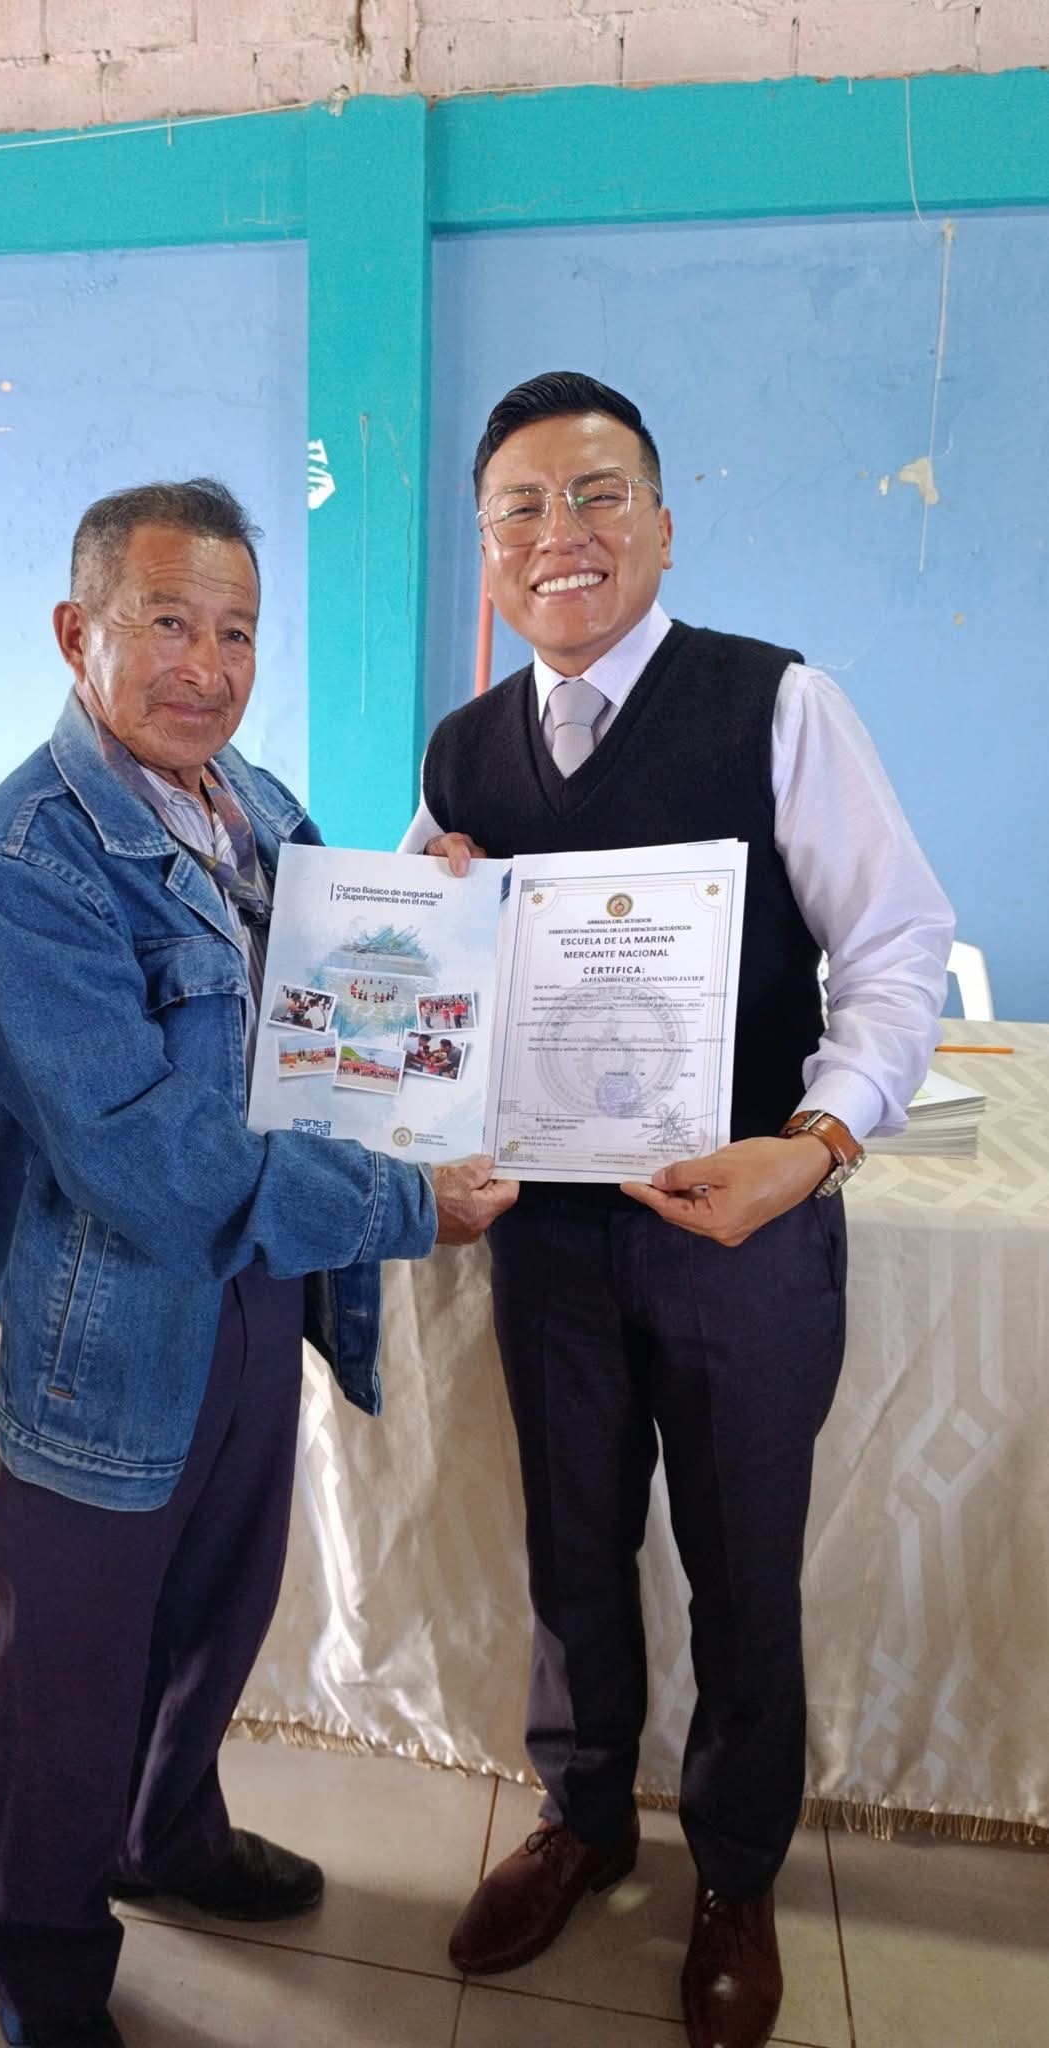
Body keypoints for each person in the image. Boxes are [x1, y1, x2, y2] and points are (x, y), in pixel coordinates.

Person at [0, 477, 515, 2048]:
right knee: (72, 1668)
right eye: (166, 622)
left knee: (214, 1605)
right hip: (116, 1323)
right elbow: (149, 1166)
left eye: (237, 630)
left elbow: (327, 979)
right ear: (77, 631)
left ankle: (163, 1833)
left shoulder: (243, 798)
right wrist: (408, 1207)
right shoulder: (22, 868)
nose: (207, 665)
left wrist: (428, 903)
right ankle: (42, 1960)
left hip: (258, 1287)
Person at [402, 374, 953, 2048]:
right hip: (550, 1237)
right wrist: (427, 927)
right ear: (487, 547)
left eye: (595, 496)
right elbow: (420, 991)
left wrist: (816, 1141)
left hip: (742, 1229)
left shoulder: (774, 702)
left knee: (738, 1564)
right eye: (519, 509)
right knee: (570, 1542)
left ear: (657, 522)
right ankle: (581, 1818)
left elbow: (896, 948)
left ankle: (734, 1872)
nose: (558, 535)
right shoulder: (463, 747)